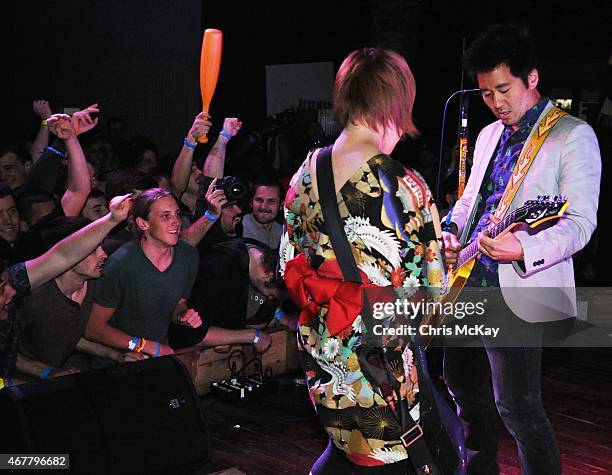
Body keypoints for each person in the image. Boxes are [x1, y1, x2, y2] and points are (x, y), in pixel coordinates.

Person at [441, 23, 601, 474]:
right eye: (487, 93)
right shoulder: (489, 135)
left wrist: (523, 250)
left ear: (532, 78)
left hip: (523, 287)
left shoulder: (573, 135)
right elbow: (471, 200)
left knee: (518, 408)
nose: (496, 102)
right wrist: (452, 229)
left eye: (504, 89)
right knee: (464, 391)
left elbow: (581, 223)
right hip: (469, 280)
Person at [281, 48, 448, 473]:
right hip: (379, 366)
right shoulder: (403, 187)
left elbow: (289, 262)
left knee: (347, 452)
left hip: (324, 353)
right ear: (397, 103)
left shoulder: (304, 173)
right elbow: (432, 300)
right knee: (391, 458)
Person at [85, 188, 270, 358]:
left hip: (160, 355)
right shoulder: (121, 264)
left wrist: (183, 315)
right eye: (166, 216)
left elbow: (179, 303)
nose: (176, 222)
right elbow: (94, 328)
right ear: (143, 223)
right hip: (120, 362)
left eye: (177, 214)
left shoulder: (187, 256)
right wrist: (143, 345)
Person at [0, 192, 132, 379]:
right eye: (91, 250)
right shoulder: (36, 298)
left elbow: (68, 335)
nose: (13, 291)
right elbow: (11, 356)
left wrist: (117, 355)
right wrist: (47, 373)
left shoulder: (95, 283)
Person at [241, 178, 283, 249]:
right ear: (251, 202)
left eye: (271, 201)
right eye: (259, 200)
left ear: (281, 205)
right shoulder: (238, 227)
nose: (264, 206)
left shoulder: (282, 232)